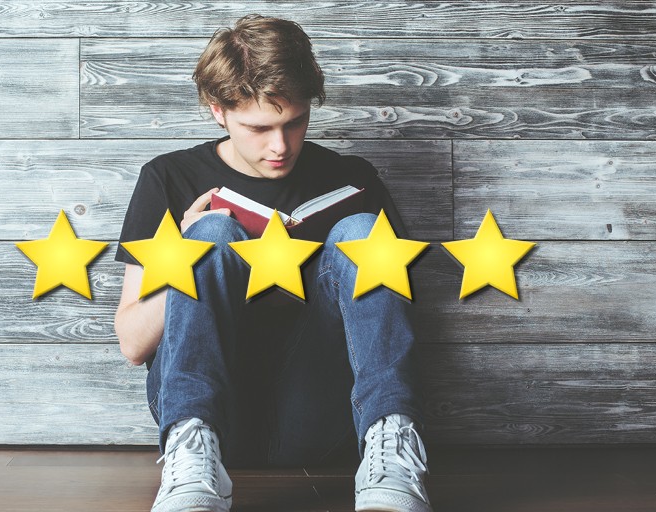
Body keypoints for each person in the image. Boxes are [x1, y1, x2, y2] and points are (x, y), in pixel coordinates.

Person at [113, 14, 434, 512]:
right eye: (258, 128)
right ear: (217, 110)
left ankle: (391, 453)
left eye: (294, 123)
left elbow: (393, 327)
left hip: (322, 412)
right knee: (213, 232)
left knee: (362, 234)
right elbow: (133, 343)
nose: (280, 146)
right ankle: (191, 454)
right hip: (213, 412)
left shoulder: (352, 178)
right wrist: (184, 252)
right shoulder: (168, 178)